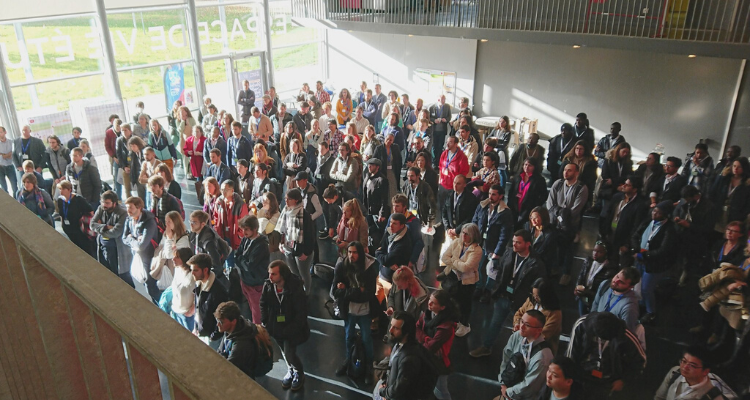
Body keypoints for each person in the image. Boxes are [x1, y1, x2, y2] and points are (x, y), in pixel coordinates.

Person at [470, 230, 545, 358]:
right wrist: (496, 291)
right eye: (514, 241)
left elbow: (536, 285)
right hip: (503, 296)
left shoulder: (536, 263)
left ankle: (518, 356)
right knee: (495, 323)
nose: (514, 244)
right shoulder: (509, 252)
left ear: (527, 244)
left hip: (520, 302)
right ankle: (486, 347)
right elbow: (500, 271)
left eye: (518, 242)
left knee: (520, 329)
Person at [566, 312, 646, 400]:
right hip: (583, 375)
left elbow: (640, 361)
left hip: (609, 381)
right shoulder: (582, 325)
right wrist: (571, 376)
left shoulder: (624, 334)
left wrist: (624, 380)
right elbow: (570, 355)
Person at [331, 241, 378, 384]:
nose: (351, 255)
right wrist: (355, 291)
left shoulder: (369, 268)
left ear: (360, 253)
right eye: (349, 252)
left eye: (355, 252)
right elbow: (334, 291)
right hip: (349, 310)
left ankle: (369, 365)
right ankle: (348, 360)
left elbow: (369, 293)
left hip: (365, 310)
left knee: (366, 339)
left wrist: (346, 290)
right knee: (348, 337)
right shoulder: (341, 266)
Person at [261, 260, 310, 391]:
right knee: (283, 351)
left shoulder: (295, 288)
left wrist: (290, 330)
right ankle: (291, 370)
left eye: (273, 274)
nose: (270, 277)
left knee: (289, 353)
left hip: (291, 329)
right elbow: (263, 303)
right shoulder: (269, 286)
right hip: (275, 327)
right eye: (269, 273)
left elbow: (301, 313)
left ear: (282, 275)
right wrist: (265, 321)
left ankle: (299, 372)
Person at [631, 201, 678, 324]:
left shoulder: (669, 229)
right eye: (654, 211)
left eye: (658, 212)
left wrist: (644, 254)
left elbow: (664, 249)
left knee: (647, 288)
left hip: (655, 263)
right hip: (640, 258)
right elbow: (636, 235)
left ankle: (651, 312)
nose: (654, 213)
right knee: (638, 284)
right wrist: (636, 250)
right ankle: (641, 304)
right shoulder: (648, 221)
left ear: (665, 215)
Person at [374, 311, 436, 400]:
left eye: (396, 328)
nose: (390, 330)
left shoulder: (409, 359)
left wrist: (384, 392)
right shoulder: (398, 344)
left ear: (407, 332)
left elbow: (400, 388)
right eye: (391, 325)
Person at [493, 310, 553, 400]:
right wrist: (503, 382)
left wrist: (508, 392)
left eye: (527, 325)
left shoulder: (542, 358)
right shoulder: (517, 336)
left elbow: (529, 387)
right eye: (521, 321)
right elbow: (506, 359)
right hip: (509, 392)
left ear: (539, 330)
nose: (522, 326)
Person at [546, 163, 588, 285]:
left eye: (569, 170)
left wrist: (561, 216)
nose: (566, 172)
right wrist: (558, 216)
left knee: (569, 249)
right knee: (554, 246)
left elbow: (576, 209)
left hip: (571, 224)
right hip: (554, 222)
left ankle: (566, 273)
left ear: (576, 173)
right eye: (565, 170)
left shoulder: (581, 188)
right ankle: (554, 268)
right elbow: (550, 203)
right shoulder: (558, 183)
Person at [471, 184, 514, 303]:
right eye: (490, 193)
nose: (490, 196)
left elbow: (504, 234)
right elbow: (474, 221)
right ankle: (479, 287)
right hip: (480, 242)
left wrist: (498, 251)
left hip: (493, 246)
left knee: (492, 270)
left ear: (500, 196)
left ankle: (488, 291)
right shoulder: (482, 205)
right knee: (478, 266)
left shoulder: (505, 213)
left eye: (494, 194)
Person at [439, 223, 482, 337]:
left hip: (467, 282)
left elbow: (465, 267)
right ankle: (453, 321)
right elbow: (444, 257)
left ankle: (464, 325)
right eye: (463, 232)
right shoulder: (456, 242)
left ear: (473, 235)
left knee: (464, 305)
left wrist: (453, 260)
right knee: (450, 300)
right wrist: (457, 263)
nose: (463, 235)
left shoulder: (477, 250)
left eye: (467, 234)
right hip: (452, 278)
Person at [416, 290, 459, 400]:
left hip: (439, 363)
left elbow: (431, 347)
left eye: (433, 303)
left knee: (441, 389)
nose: (429, 303)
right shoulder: (428, 314)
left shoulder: (446, 327)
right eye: (429, 300)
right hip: (428, 358)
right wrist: (426, 338)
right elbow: (416, 328)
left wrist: (422, 338)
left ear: (442, 307)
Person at [654, 345, 738, 400]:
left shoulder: (712, 395)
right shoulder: (675, 373)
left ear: (705, 371)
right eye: (684, 361)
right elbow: (659, 397)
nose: (685, 367)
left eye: (692, 365)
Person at [600, 175, 649, 266]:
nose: (623, 186)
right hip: (610, 235)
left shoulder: (640, 205)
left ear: (635, 189)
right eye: (624, 184)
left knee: (620, 265)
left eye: (627, 185)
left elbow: (636, 226)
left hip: (623, 240)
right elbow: (608, 214)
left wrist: (627, 244)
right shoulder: (617, 197)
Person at [122, 196, 161, 303]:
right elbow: (124, 238)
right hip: (138, 257)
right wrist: (133, 240)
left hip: (149, 259)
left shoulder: (149, 222)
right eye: (127, 208)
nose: (128, 211)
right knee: (145, 284)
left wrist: (131, 238)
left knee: (151, 287)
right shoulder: (129, 219)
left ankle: (161, 308)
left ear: (139, 208)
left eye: (130, 208)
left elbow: (141, 246)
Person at [90, 190, 133, 287]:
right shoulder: (101, 208)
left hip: (117, 250)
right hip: (104, 248)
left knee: (124, 278)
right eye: (103, 202)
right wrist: (105, 227)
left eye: (107, 203)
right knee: (109, 275)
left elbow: (115, 233)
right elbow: (92, 224)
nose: (104, 205)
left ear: (114, 203)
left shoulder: (123, 213)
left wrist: (99, 228)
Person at [276, 188, 315, 292]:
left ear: (296, 200)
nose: (286, 201)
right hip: (288, 247)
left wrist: (306, 252)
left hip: (301, 249)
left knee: (304, 273)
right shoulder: (286, 211)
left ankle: (306, 292)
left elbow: (310, 235)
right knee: (293, 273)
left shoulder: (305, 215)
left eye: (289, 199)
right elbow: (284, 230)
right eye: (285, 198)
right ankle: (298, 291)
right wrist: (281, 243)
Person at [215, 300, 267, 378]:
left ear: (233, 321)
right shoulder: (230, 330)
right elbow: (220, 351)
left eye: (221, 322)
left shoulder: (242, 344)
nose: (218, 324)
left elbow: (228, 367)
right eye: (217, 320)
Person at [189, 253, 229, 348]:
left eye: (195, 270)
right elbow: (198, 309)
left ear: (205, 270)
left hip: (212, 339)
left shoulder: (218, 291)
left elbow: (222, 318)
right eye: (191, 270)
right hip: (201, 333)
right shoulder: (199, 284)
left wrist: (213, 337)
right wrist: (196, 327)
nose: (192, 273)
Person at [512, 278, 562, 354]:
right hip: (522, 344)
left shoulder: (555, 313)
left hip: (540, 350)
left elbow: (543, 334)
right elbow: (519, 313)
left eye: (538, 296)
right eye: (533, 294)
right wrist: (517, 323)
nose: (535, 298)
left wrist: (522, 331)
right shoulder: (531, 301)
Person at [236, 215, 270, 324]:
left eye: (246, 229)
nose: (243, 232)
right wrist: (242, 260)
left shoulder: (262, 245)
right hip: (245, 280)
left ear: (254, 229)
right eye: (243, 229)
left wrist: (240, 260)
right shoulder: (246, 239)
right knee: (251, 306)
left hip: (256, 283)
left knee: (257, 312)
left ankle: (259, 333)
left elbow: (250, 266)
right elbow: (237, 255)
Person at [376, 212, 414, 301]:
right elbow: (381, 247)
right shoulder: (389, 231)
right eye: (390, 222)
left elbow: (385, 259)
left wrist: (379, 254)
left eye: (395, 223)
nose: (391, 226)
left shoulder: (404, 243)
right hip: (382, 274)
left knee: (390, 306)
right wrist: (384, 260)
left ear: (402, 226)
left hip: (392, 281)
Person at [590, 267, 641, 332]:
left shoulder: (629, 307)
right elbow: (595, 305)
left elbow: (627, 333)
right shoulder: (605, 285)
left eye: (621, 282)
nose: (615, 281)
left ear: (631, 287)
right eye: (617, 276)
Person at [188, 209, 229, 289]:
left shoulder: (209, 242)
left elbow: (216, 265)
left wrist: (206, 279)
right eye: (190, 222)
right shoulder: (194, 233)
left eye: (194, 222)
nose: (191, 225)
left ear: (203, 224)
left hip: (207, 276)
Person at [214, 180, 248, 272]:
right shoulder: (219, 202)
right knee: (224, 260)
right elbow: (216, 218)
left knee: (234, 263)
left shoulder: (240, 205)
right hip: (222, 236)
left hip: (234, 238)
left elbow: (244, 223)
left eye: (225, 190)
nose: (223, 192)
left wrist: (238, 236)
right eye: (221, 189)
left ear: (232, 191)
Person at [575, 241, 616, 316]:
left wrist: (586, 292)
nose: (595, 254)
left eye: (599, 252)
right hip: (582, 297)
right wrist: (577, 287)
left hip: (595, 301)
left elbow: (603, 292)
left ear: (606, 254)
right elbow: (581, 275)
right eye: (594, 250)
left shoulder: (610, 269)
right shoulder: (588, 261)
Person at [508, 157, 548, 231]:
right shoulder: (518, 177)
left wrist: (534, 206)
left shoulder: (539, 180)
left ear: (534, 167)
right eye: (525, 165)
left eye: (529, 165)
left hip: (529, 210)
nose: (527, 167)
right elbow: (511, 192)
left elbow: (543, 196)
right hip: (515, 208)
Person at [57, 180, 95, 256]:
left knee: (85, 249)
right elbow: (61, 214)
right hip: (68, 229)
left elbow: (90, 211)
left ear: (69, 189)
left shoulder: (78, 199)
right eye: (60, 189)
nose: (61, 191)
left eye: (62, 189)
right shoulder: (60, 200)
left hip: (79, 229)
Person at [711, 157, 750, 227]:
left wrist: (741, 216)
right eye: (734, 166)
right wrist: (721, 177)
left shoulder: (746, 183)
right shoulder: (725, 178)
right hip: (718, 211)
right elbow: (713, 191)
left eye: (739, 167)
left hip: (735, 215)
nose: (736, 169)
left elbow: (747, 204)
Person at [442, 174, 479, 246]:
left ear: (464, 185)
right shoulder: (449, 194)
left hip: (462, 233)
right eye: (454, 183)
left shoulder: (470, 198)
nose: (455, 185)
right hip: (449, 232)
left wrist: (457, 230)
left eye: (458, 183)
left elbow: (470, 217)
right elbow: (444, 212)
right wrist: (447, 228)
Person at [599, 142, 634, 216]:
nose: (625, 154)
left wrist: (614, 181)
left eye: (627, 152)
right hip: (609, 190)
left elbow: (628, 176)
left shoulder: (628, 162)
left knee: (616, 212)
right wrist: (616, 184)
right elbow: (605, 175)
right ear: (618, 150)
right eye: (623, 151)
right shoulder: (609, 160)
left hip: (621, 188)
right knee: (605, 212)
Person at [362, 158, 389, 247]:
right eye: (368, 165)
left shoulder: (382, 180)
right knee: (370, 231)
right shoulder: (367, 176)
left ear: (377, 167)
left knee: (379, 233)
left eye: (372, 165)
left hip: (377, 211)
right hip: (368, 210)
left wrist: (382, 213)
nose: (369, 167)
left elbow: (384, 199)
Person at [171, 247, 196, 330]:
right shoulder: (177, 270)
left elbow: (198, 295)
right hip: (176, 310)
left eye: (177, 257)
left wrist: (192, 310)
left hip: (187, 314)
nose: (173, 259)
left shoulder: (193, 276)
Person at [373, 132, 403, 202]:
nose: (389, 141)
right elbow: (375, 160)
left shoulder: (395, 147)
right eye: (387, 139)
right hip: (383, 172)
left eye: (391, 140)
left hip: (392, 172)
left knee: (393, 189)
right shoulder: (379, 148)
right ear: (385, 139)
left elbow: (399, 160)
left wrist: (398, 170)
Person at [45, 134, 70, 199]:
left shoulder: (65, 150)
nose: (51, 144)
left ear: (57, 142)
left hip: (66, 176)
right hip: (57, 177)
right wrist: (55, 178)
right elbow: (50, 166)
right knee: (55, 196)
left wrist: (65, 175)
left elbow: (69, 164)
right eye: (50, 142)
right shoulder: (48, 152)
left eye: (53, 142)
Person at [429, 95, 452, 164]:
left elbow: (449, 117)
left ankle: (439, 160)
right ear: (438, 100)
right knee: (434, 146)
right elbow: (429, 117)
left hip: (442, 130)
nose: (443, 101)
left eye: (444, 99)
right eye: (442, 99)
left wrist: (446, 120)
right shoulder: (432, 107)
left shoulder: (447, 107)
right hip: (434, 130)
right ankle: (434, 161)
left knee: (440, 146)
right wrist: (434, 120)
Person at [0, 126, 17, 194]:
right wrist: (7, 155)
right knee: (4, 188)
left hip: (10, 166)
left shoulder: (12, 142)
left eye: (1, 132)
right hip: (0, 167)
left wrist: (2, 155)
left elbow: (13, 154)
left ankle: (17, 202)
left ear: (5, 132)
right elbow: (9, 154)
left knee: (15, 187)